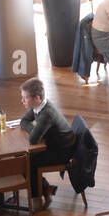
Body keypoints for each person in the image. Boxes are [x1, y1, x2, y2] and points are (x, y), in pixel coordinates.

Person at [18, 77, 76, 208]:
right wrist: (36, 130)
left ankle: (38, 198)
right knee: (24, 160)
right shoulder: (38, 106)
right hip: (54, 145)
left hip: (62, 151)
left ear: (37, 98)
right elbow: (23, 121)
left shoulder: (46, 114)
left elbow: (33, 139)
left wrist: (36, 132)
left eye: (25, 98)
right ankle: (46, 189)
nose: (22, 101)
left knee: (26, 162)